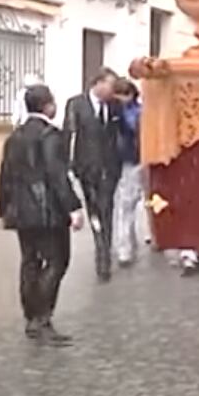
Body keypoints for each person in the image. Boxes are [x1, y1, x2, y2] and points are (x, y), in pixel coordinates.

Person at [0, 84, 85, 347]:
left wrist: (4, 208)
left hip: (22, 210)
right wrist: (73, 207)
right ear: (47, 105)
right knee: (57, 261)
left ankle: (31, 318)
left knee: (30, 262)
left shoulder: (14, 137)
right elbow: (57, 176)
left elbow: (5, 176)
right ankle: (42, 317)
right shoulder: (50, 136)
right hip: (48, 211)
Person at [65, 68, 122, 282]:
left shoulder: (114, 105)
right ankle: (102, 247)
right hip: (87, 170)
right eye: (109, 85)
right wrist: (68, 166)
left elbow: (118, 134)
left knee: (107, 208)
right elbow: (68, 135)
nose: (112, 90)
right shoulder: (77, 104)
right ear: (97, 83)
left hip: (109, 169)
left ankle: (104, 254)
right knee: (95, 210)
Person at [111, 78, 147, 267]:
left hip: (133, 159)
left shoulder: (134, 112)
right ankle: (126, 245)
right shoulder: (117, 111)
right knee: (127, 205)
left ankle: (127, 245)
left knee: (129, 204)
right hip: (125, 159)